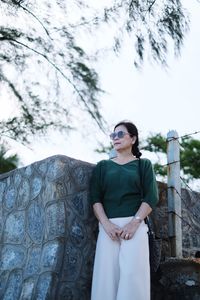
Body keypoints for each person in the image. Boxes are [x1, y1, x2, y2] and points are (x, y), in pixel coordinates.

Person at [89, 120, 159, 300]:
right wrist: (106, 224)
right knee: (105, 279)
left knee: (132, 278)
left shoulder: (143, 165)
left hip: (134, 226)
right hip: (108, 227)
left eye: (120, 134)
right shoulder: (102, 167)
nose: (115, 138)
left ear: (133, 138)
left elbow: (151, 197)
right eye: (113, 135)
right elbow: (96, 199)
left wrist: (134, 223)